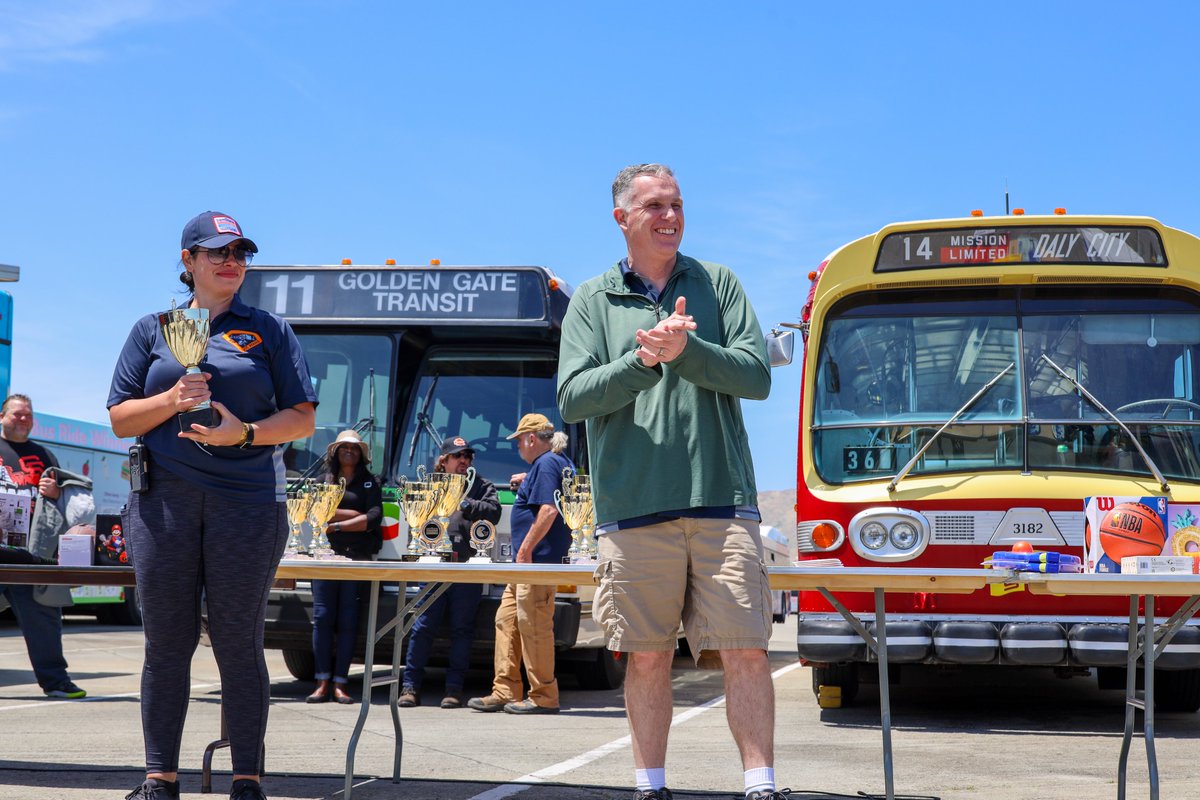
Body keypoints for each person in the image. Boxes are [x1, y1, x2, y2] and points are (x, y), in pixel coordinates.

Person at [556, 164, 782, 800]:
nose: (670, 216)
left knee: (746, 650)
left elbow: (756, 376)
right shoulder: (592, 301)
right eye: (654, 205)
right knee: (647, 656)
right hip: (633, 511)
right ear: (622, 218)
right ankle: (649, 788)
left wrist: (687, 352)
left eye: (677, 204)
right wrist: (641, 361)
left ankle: (760, 786)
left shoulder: (719, 284)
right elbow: (573, 398)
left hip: (723, 505)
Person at [108, 211, 317, 800]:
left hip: (246, 505)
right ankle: (159, 778)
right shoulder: (154, 328)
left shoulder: (270, 330)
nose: (232, 262)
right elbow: (121, 417)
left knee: (237, 639)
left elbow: (302, 418)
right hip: (162, 504)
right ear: (188, 261)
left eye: (241, 253)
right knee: (166, 642)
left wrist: (243, 433)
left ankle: (247, 779)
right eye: (218, 252)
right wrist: (173, 398)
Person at [467, 413, 572, 715]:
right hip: (526, 564)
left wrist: (525, 550)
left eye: (518, 442)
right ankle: (504, 690)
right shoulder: (553, 462)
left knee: (534, 625)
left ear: (530, 438)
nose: (517, 448)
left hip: (534, 563)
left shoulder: (547, 463)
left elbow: (549, 510)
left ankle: (543, 696)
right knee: (507, 621)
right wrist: (530, 480)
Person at [400, 435, 501, 709]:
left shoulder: (479, 485)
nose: (464, 461)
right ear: (444, 460)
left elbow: (494, 511)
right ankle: (410, 687)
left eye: (468, 456)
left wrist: (466, 504)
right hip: (433, 566)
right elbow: (414, 516)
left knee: (462, 630)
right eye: (459, 456)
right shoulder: (430, 484)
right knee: (422, 628)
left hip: (467, 568)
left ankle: (453, 689)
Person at [0, 393, 88, 699]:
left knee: (43, 617)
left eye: (28, 415)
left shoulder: (44, 455)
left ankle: (56, 681)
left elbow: (64, 501)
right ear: (2, 417)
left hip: (31, 553)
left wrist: (53, 491)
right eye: (17, 414)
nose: (23, 419)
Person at [306, 429, 382, 705]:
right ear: (335, 452)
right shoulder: (321, 480)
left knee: (349, 620)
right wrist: (354, 514)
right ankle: (322, 680)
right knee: (323, 617)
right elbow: (315, 510)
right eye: (344, 447)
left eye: (354, 448)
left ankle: (340, 683)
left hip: (357, 558)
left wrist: (336, 522)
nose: (349, 451)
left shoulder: (370, 482)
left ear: (361, 453)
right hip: (326, 557)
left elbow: (374, 517)